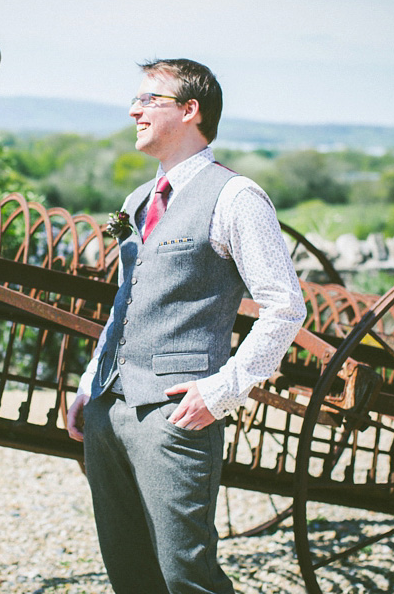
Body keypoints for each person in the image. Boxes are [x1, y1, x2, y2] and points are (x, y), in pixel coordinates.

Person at [66, 59, 306, 593]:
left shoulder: (236, 197)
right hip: (108, 412)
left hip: (175, 416)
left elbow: (286, 306)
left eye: (149, 99)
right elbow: (125, 304)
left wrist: (223, 391)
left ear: (190, 110)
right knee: (130, 574)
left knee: (185, 576)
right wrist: (89, 386)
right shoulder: (136, 202)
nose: (135, 109)